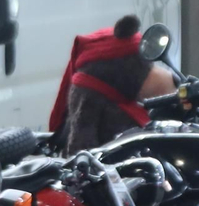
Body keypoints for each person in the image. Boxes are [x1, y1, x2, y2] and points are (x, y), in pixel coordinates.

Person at [48, 14, 177, 153]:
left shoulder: (133, 106)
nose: (152, 71)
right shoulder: (89, 95)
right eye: (144, 67)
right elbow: (80, 144)